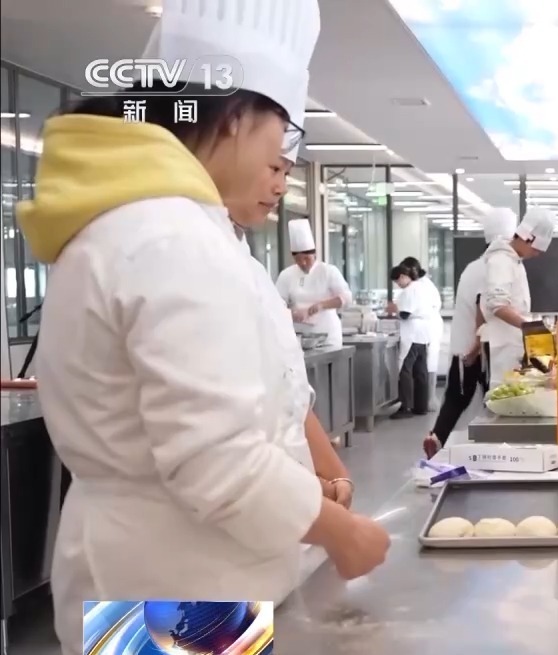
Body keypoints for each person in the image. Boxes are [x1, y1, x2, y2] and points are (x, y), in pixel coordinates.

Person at [13, 2, 388, 652]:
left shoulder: (162, 227)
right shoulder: (170, 237)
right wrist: (342, 533)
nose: (282, 160)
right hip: (172, 586)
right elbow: (217, 460)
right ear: (237, 116)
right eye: (282, 133)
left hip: (177, 577)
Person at [224, 93, 355, 509]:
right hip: (248, 512)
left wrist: (335, 475)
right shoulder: (185, 256)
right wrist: (326, 509)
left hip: (284, 504)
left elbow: (291, 394)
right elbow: (214, 457)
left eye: (285, 171)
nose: (280, 186)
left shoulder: (245, 262)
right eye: (273, 167)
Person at [425, 208, 518, 455]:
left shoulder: (472, 266)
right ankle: (492, 449)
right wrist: (476, 348)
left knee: (456, 399)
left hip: (464, 346)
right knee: (494, 399)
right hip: (478, 349)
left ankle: (437, 438)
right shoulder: (492, 266)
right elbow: (482, 308)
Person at [481, 206, 556, 387]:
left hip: (513, 346)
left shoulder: (514, 261)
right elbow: (498, 305)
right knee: (503, 393)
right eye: (536, 250)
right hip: (502, 349)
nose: (536, 255)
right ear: (527, 237)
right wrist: (530, 327)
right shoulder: (500, 261)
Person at [277, 218, 353, 348]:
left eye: (307, 258)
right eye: (298, 259)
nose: (303, 263)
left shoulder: (328, 271)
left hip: (328, 338)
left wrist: (321, 305)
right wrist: (291, 313)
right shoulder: (286, 275)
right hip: (299, 339)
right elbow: (276, 303)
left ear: (314, 254)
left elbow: (347, 298)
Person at [399, 256, 445, 407]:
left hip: (425, 328)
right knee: (424, 365)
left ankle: (425, 401)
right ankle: (424, 403)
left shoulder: (419, 286)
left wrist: (398, 311)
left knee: (423, 365)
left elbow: (409, 310)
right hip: (426, 329)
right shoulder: (422, 284)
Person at [388, 264, 432, 419]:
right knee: (420, 371)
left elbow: (405, 314)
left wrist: (394, 310)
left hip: (412, 333)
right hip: (423, 334)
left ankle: (406, 407)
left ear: (402, 276)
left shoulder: (409, 291)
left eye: (397, 281)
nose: (398, 284)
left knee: (405, 369)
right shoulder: (421, 288)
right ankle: (421, 407)